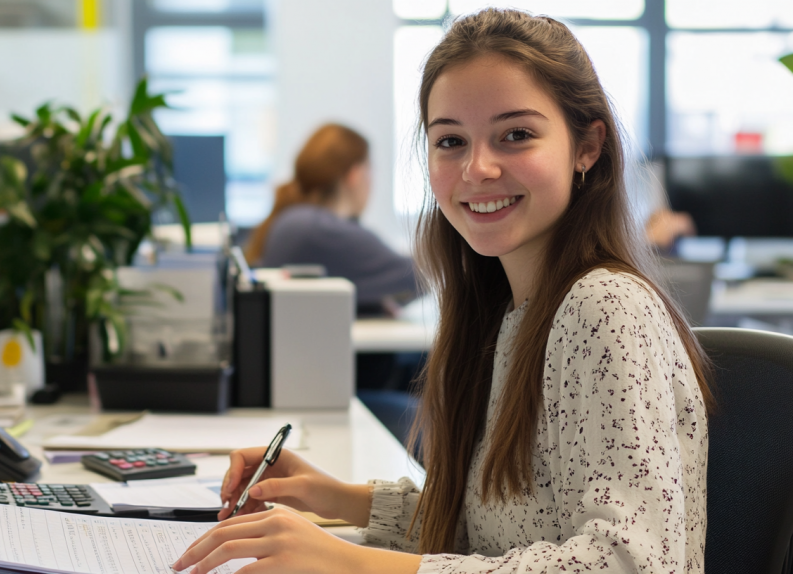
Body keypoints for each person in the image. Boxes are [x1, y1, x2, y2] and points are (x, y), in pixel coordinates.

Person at [173, 8, 713, 574]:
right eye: (451, 140)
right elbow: (496, 530)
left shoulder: (605, 307)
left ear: (587, 146)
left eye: (516, 135)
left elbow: (630, 563)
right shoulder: (508, 310)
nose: (477, 168)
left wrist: (353, 564)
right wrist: (332, 496)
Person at [245, 123, 418, 314]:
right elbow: (419, 276)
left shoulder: (297, 219)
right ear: (355, 174)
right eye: (370, 170)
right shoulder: (315, 228)